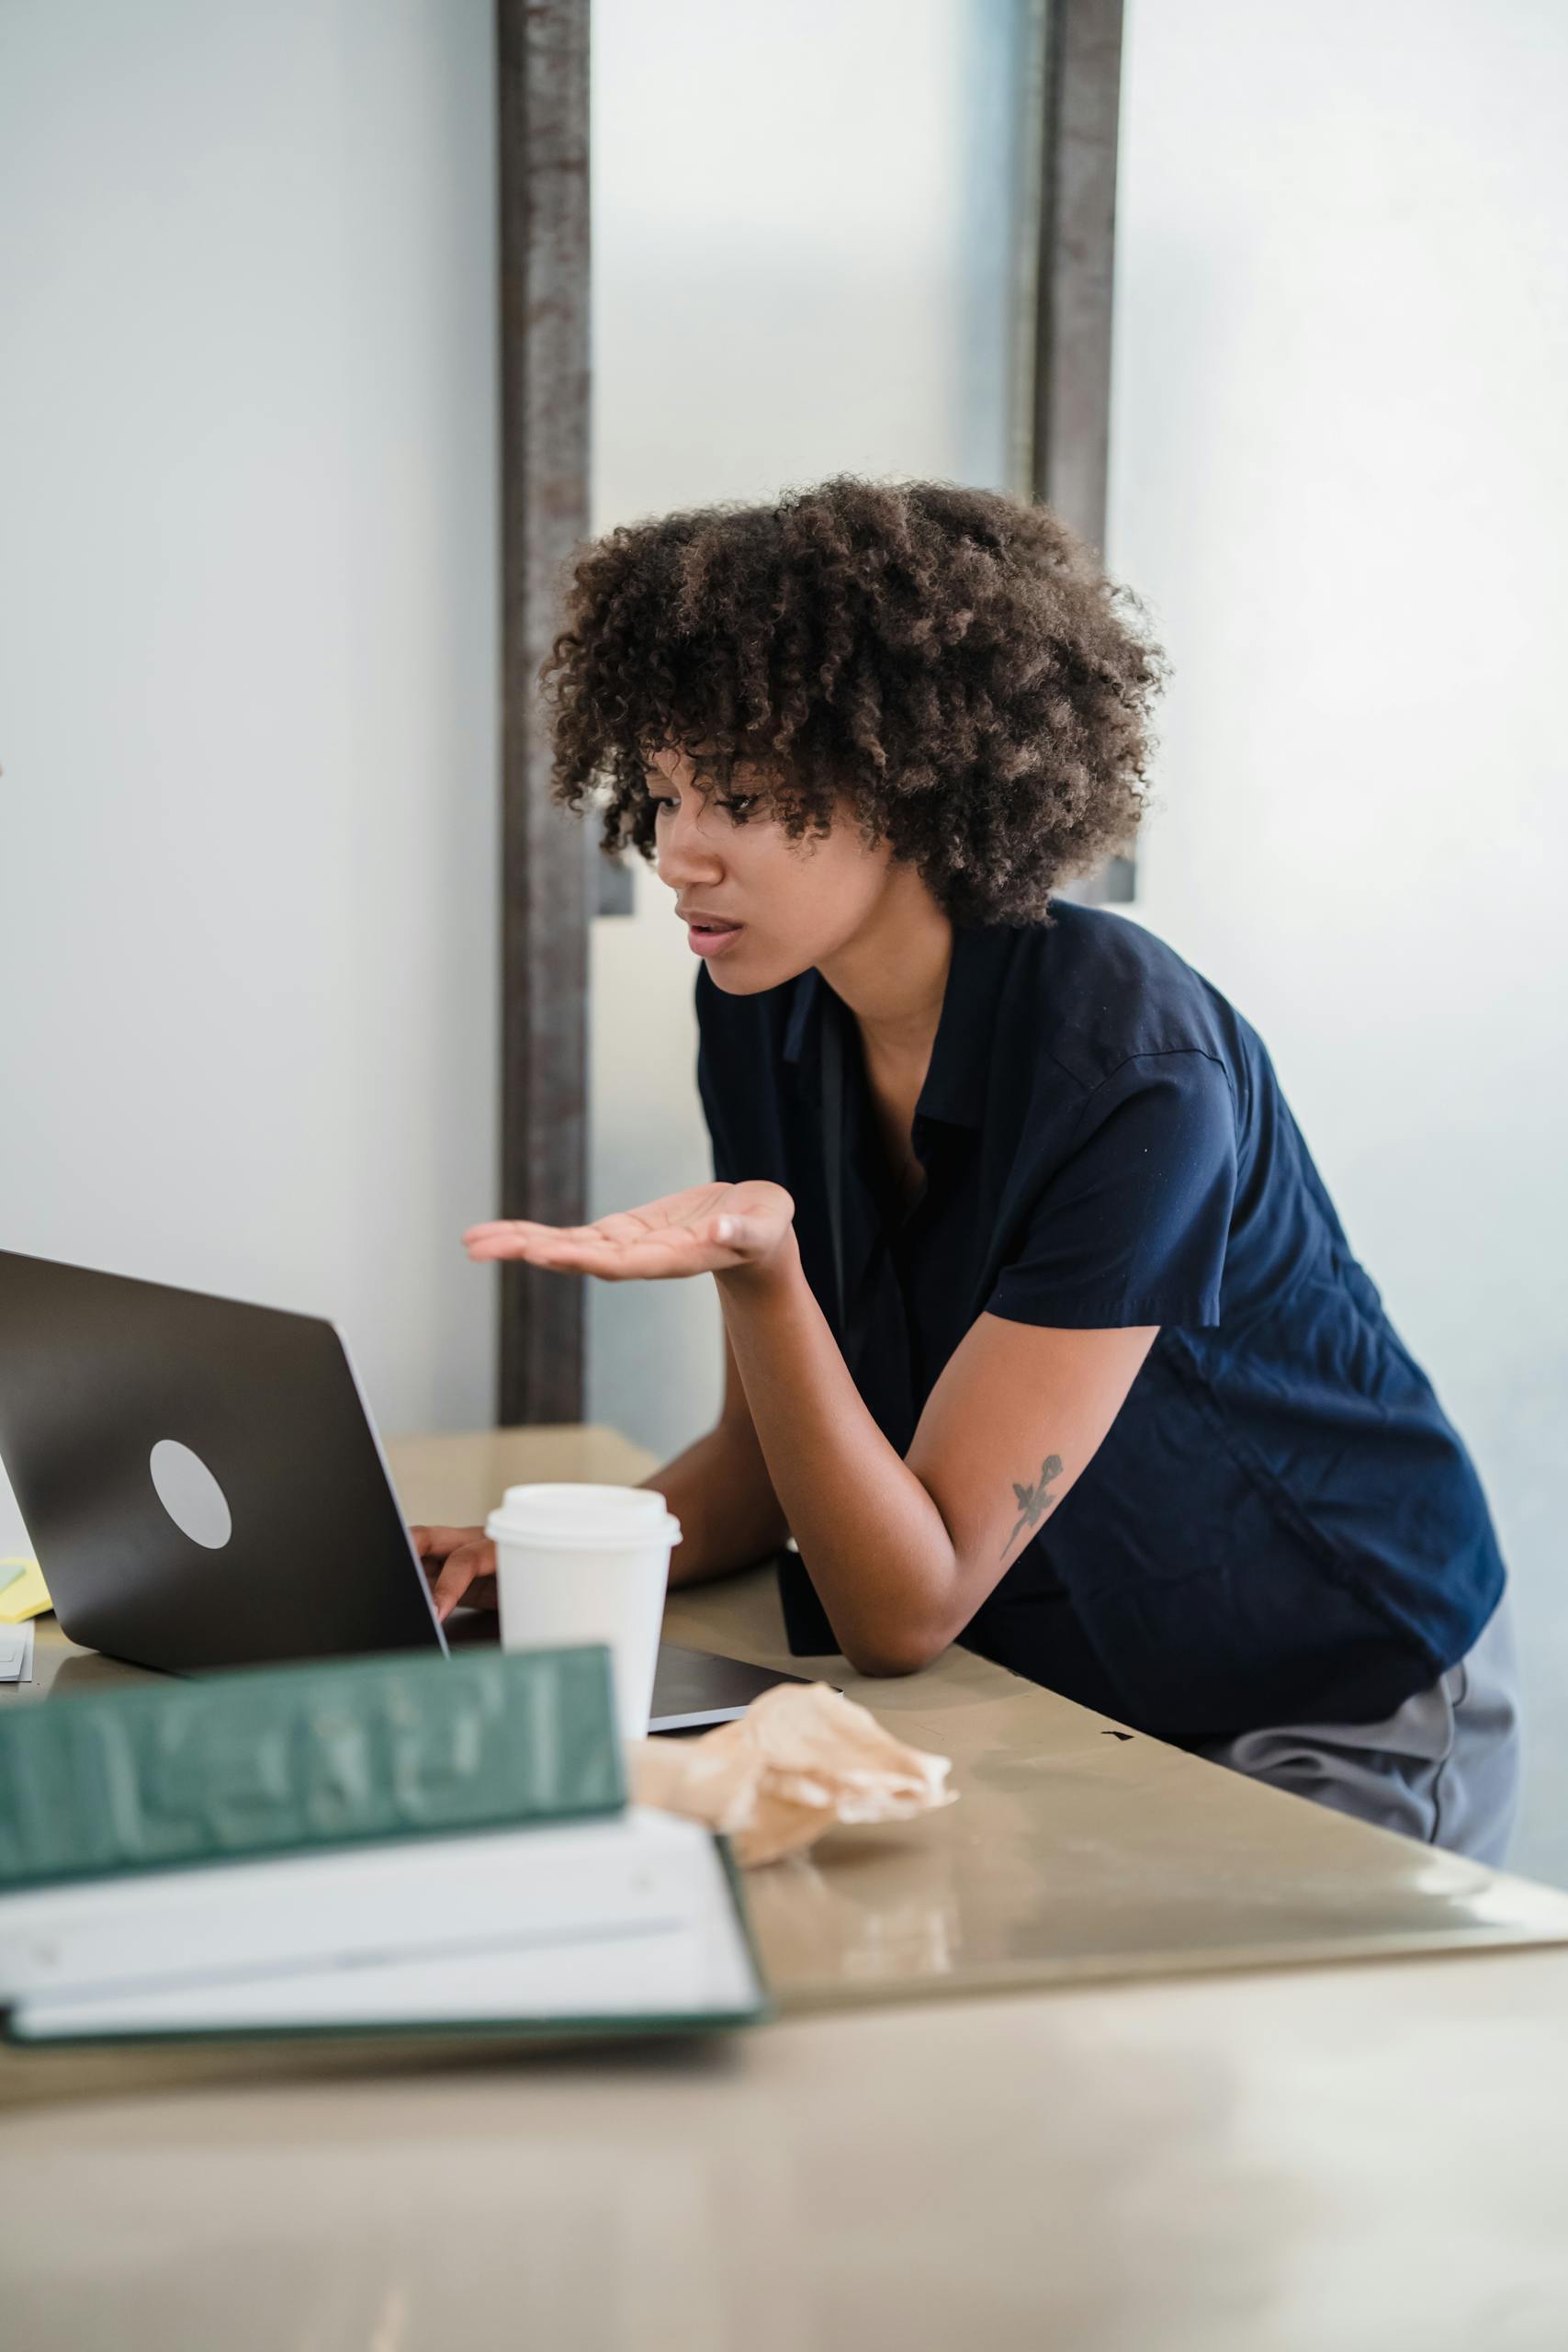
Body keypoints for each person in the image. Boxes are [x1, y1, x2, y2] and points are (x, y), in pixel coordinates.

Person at [415, 476, 1518, 1864]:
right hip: (1075, 1692)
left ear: (911, 777)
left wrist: (764, 1277)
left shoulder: (1133, 1065)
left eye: (740, 797)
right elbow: (770, 1469)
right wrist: (554, 1553)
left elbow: (904, 1606)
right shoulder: (764, 1006)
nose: (677, 853)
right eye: (664, 792)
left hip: (1326, 1697)